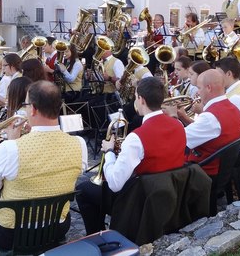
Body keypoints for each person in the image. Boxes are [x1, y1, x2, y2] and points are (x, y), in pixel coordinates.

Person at [0, 81, 87, 253]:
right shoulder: (79, 143)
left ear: (32, 109)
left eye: (25, 105)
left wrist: (12, 142)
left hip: (13, 232)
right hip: (58, 226)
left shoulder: (10, 148)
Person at [76, 77, 186, 235]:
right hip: (168, 191)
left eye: (136, 97)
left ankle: (98, 238)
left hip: (138, 199)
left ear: (141, 99)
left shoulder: (136, 138)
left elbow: (115, 183)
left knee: (83, 190)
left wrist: (108, 152)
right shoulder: (179, 125)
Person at [184, 70, 240, 175]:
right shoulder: (233, 107)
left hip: (202, 172)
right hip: (221, 170)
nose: (197, 92)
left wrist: (173, 118)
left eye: (199, 88)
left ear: (208, 88)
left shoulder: (210, 118)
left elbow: (180, 139)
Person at [215, 56, 240, 147]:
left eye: (218, 74)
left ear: (229, 74)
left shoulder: (237, 98)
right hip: (231, 142)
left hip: (234, 147)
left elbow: (222, 125)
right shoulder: (235, 89)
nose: (216, 78)